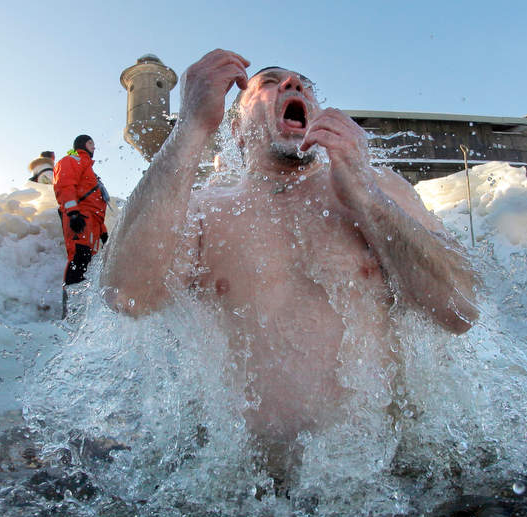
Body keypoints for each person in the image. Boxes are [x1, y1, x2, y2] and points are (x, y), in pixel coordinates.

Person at [100, 49, 478, 480]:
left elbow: (461, 308)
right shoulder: (204, 210)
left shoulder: (378, 187)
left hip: (389, 482)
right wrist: (190, 127)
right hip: (251, 492)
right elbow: (127, 295)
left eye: (304, 84)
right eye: (268, 82)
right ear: (237, 129)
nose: (293, 84)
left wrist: (365, 196)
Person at [53, 136, 109, 285]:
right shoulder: (72, 160)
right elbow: (64, 184)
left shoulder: (89, 169)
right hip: (80, 217)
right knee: (79, 258)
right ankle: (70, 298)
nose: (94, 147)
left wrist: (103, 232)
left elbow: (95, 206)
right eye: (90, 143)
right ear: (81, 144)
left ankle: (82, 299)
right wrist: (73, 213)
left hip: (93, 222)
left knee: (89, 265)